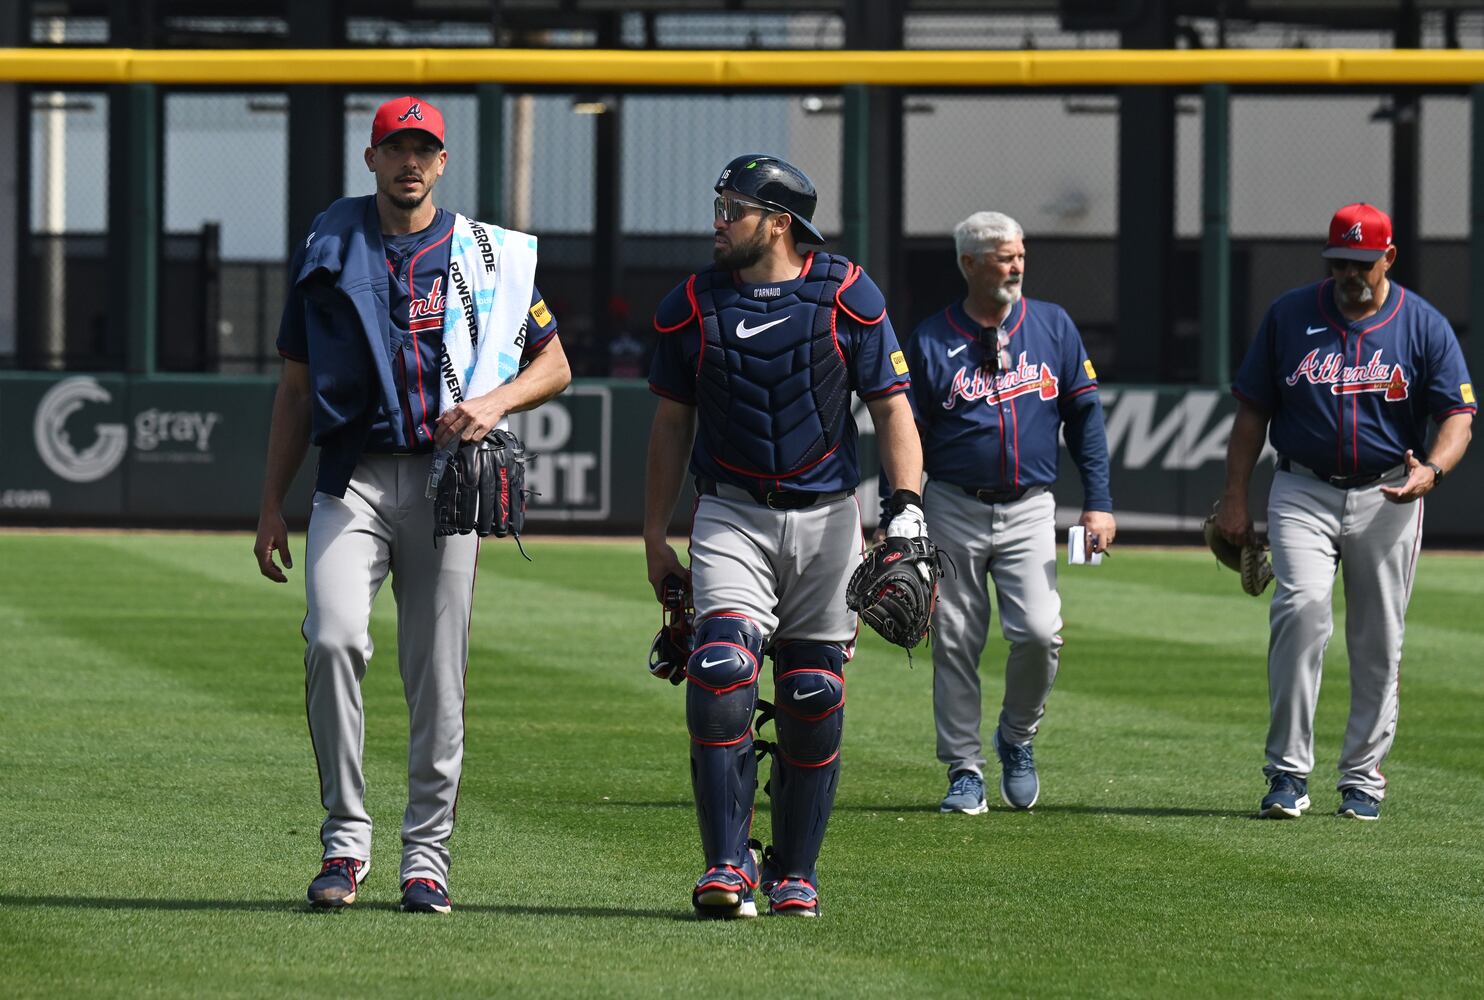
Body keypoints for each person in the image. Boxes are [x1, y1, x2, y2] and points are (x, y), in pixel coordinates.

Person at [252, 96, 571, 913]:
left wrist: (496, 403)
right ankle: (345, 845)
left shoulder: (481, 256)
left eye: (424, 149)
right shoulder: (328, 243)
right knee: (331, 639)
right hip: (350, 478)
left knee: (437, 678)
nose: (410, 162)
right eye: (396, 147)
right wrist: (269, 503)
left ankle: (426, 859)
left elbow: (555, 365)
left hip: (443, 480)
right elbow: (293, 390)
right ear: (371, 159)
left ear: (442, 162)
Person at [644, 153, 926, 919]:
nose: (718, 220)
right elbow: (671, 425)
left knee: (812, 691)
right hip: (732, 509)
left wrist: (905, 510)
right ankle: (726, 866)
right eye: (719, 202)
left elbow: (893, 408)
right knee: (720, 670)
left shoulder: (845, 293)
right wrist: (654, 537)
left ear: (778, 222)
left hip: (829, 516)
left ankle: (794, 871)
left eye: (732, 206)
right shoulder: (692, 304)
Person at [1217, 202, 1474, 822]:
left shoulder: (1422, 324)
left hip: (1388, 491)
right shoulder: (1289, 315)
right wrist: (1235, 496)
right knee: (1300, 611)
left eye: (1362, 262)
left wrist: (1432, 470)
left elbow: (1459, 416)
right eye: (1339, 262)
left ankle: (1362, 777)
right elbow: (1252, 412)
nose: (1350, 273)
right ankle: (1286, 773)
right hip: (1302, 487)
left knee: (1378, 638)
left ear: (1389, 257)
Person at [892, 211, 1114, 816]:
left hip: (1030, 507)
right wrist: (902, 510)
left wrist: (1098, 504)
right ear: (969, 264)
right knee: (956, 639)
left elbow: (1085, 419)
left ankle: (1017, 737)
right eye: (1003, 257)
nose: (1016, 266)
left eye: (1020, 255)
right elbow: (904, 431)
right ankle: (964, 769)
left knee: (1040, 634)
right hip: (953, 504)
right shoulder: (933, 339)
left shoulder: (1053, 326)